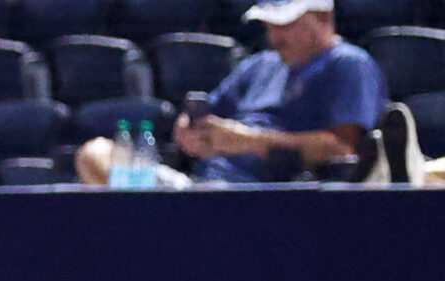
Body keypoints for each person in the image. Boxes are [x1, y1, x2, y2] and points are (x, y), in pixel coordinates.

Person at [76, 0, 387, 186]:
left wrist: (249, 142)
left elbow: (343, 148)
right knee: (96, 155)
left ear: (323, 18)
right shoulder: (259, 64)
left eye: (285, 26)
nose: (274, 37)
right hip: (201, 188)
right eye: (269, 26)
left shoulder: (349, 64)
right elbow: (207, 115)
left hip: (269, 197)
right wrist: (190, 132)